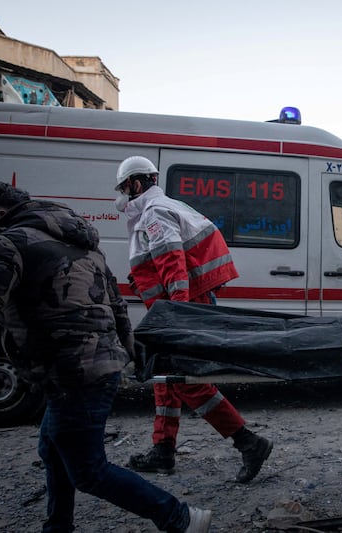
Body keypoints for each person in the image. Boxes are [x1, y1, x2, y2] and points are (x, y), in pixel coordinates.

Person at [0, 183, 211, 533]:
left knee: (89, 471)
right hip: (93, 367)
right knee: (53, 448)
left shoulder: (8, 243)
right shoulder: (84, 245)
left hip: (71, 371)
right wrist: (127, 357)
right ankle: (58, 526)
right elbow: (118, 307)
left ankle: (180, 518)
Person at [115, 155, 272, 483]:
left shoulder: (155, 212)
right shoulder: (159, 208)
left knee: (187, 381)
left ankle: (248, 442)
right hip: (172, 306)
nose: (123, 194)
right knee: (165, 378)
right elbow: (163, 263)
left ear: (137, 183)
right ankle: (163, 449)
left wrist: (179, 315)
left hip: (178, 307)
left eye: (125, 186)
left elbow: (173, 264)